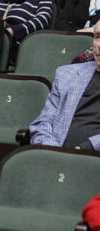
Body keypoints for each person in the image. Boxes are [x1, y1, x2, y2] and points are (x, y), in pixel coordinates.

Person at [29, 21, 100, 151]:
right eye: (98, 37)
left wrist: (86, 148)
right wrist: (54, 152)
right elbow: (42, 123)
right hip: (54, 156)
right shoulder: (67, 75)